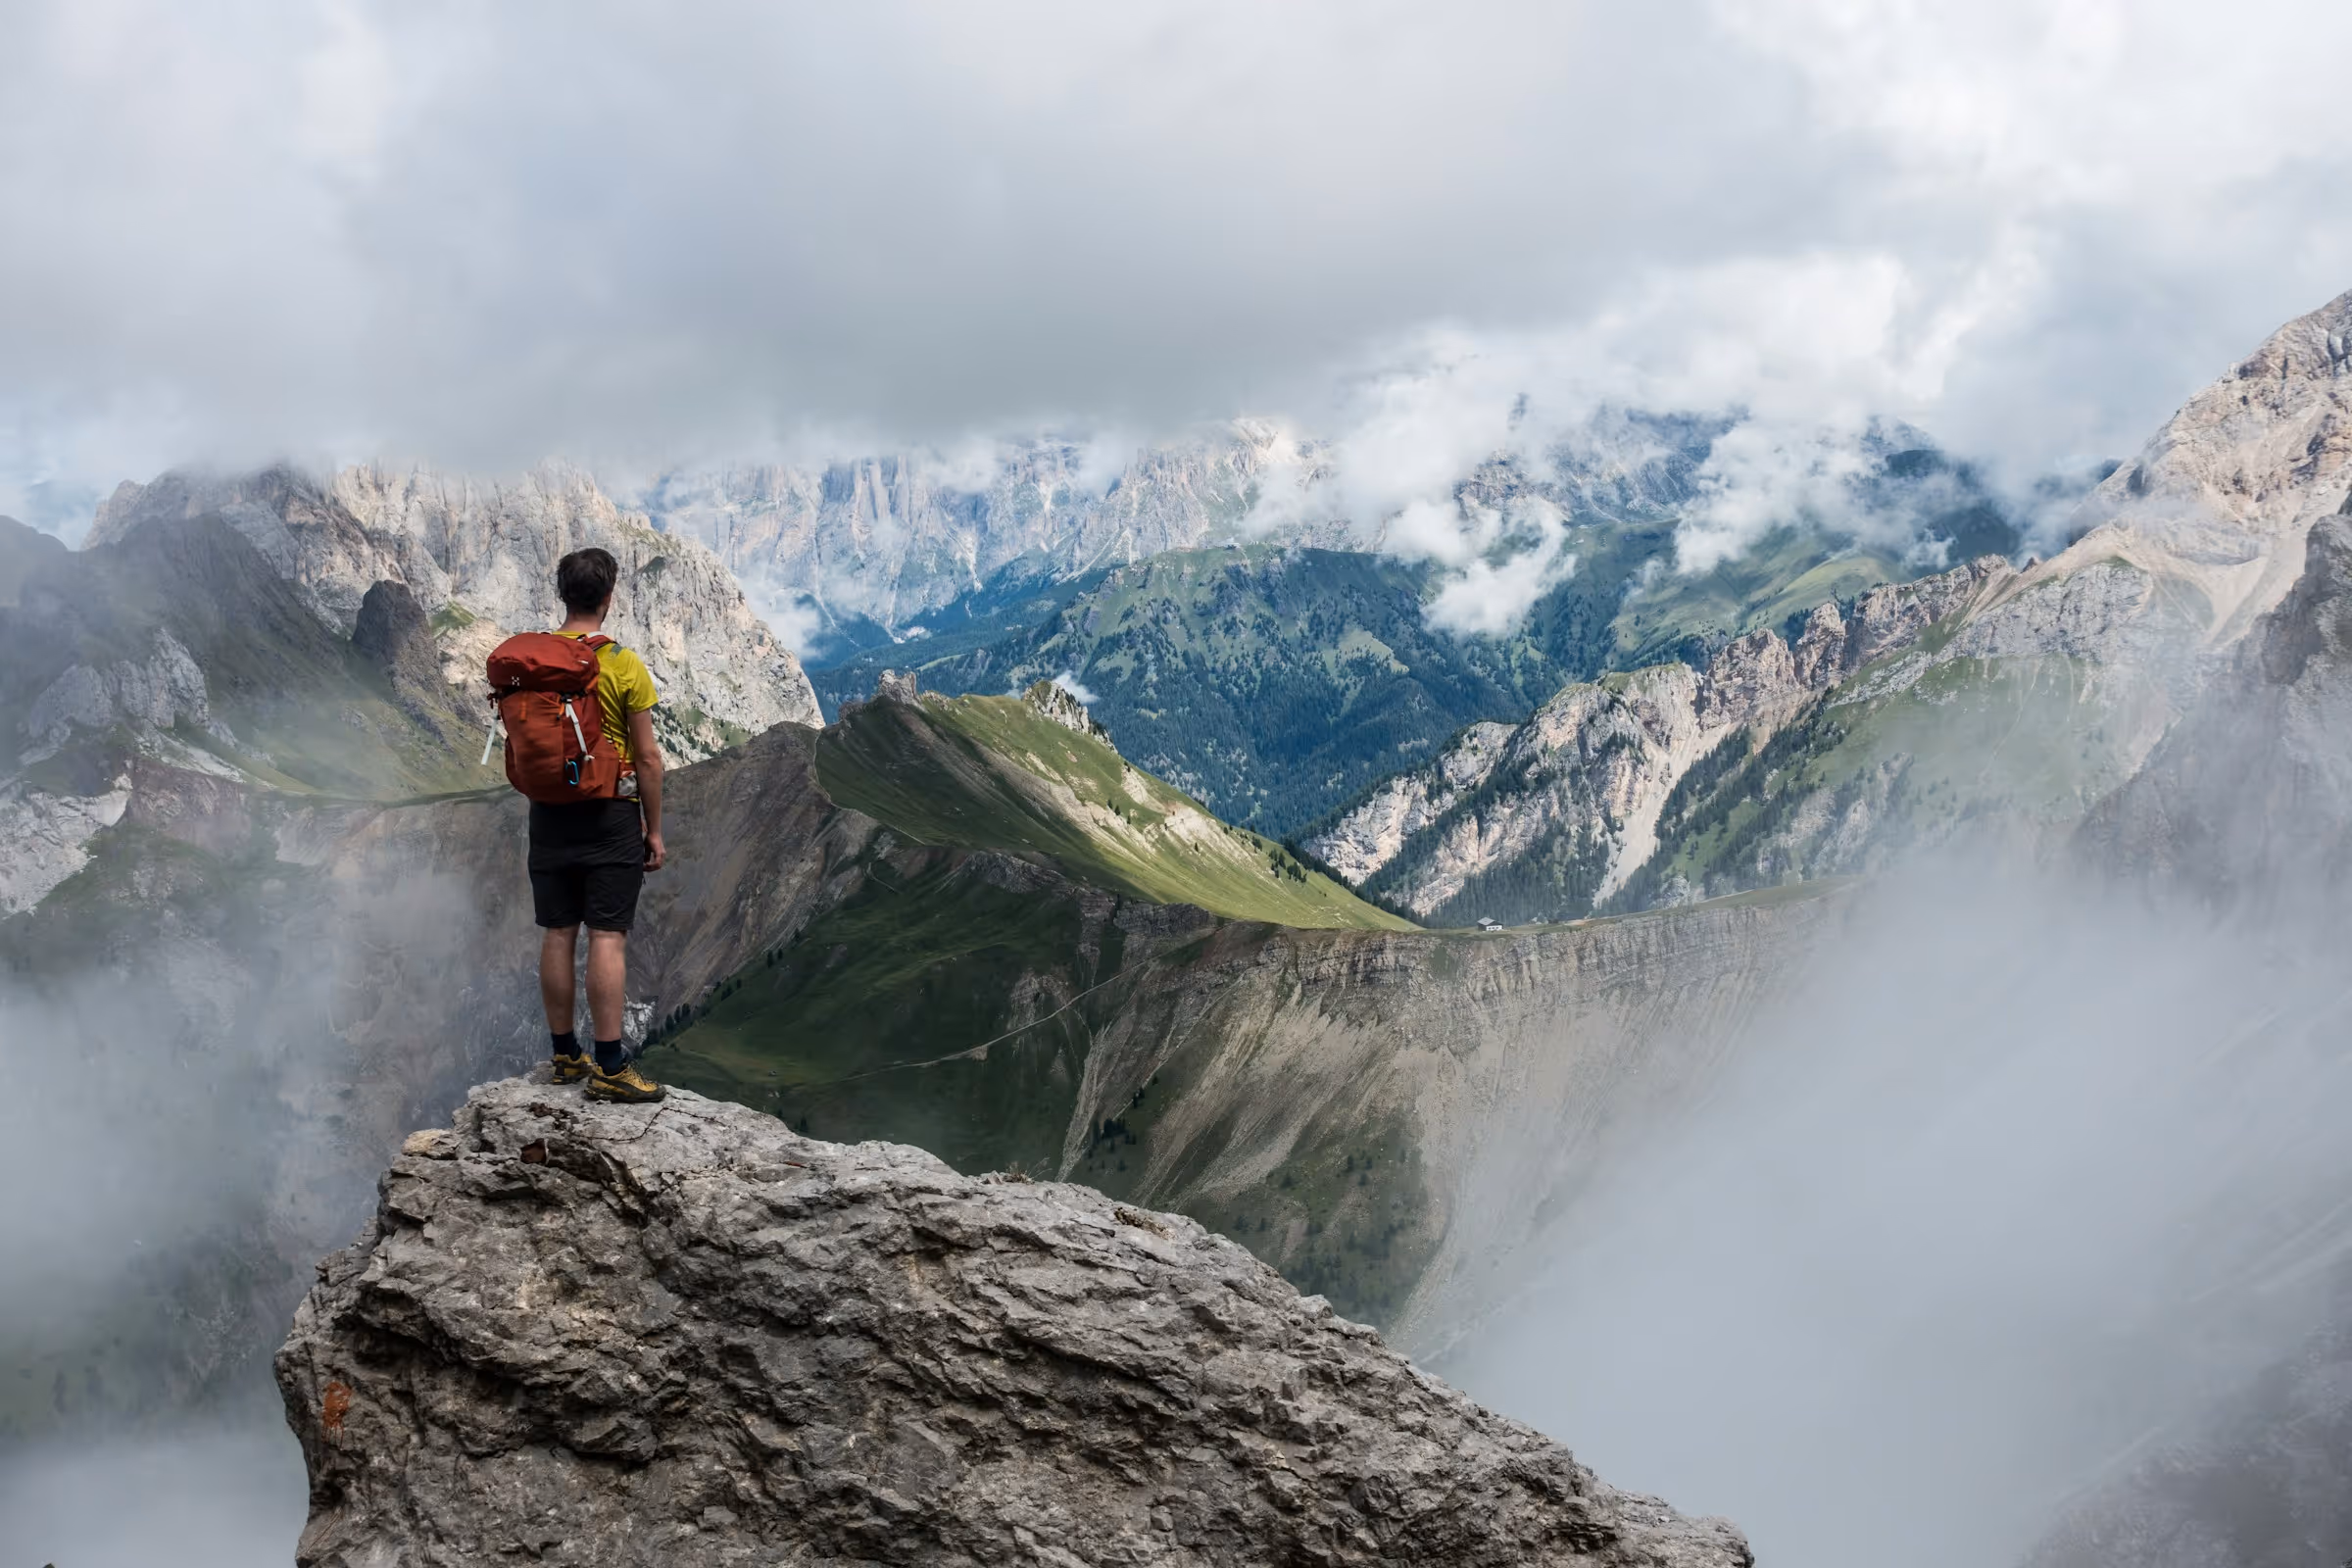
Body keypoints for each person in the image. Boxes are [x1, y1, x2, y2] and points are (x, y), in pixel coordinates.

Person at [530, 547, 668, 1102]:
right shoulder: (623, 664)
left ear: (562, 595)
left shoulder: (534, 661)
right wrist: (653, 832)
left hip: (548, 816)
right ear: (609, 599)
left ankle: (565, 1056)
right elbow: (650, 758)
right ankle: (610, 1066)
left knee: (558, 932)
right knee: (607, 936)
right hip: (610, 813)